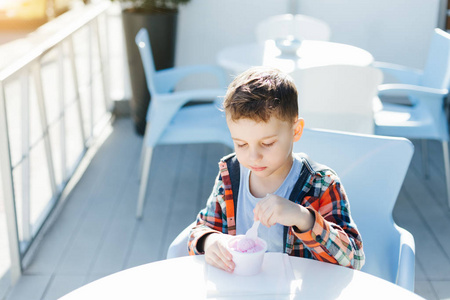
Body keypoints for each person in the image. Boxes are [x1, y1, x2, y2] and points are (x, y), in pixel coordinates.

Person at [188, 66, 364, 273]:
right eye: (241, 144)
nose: (253, 156)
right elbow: (197, 231)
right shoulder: (230, 175)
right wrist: (209, 241)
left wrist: (303, 218)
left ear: (295, 130)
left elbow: (354, 260)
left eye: (268, 143)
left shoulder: (321, 184)